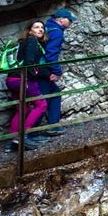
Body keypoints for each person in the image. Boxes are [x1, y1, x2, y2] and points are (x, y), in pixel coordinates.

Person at [4, 20, 50, 152]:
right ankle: (22, 136)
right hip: (22, 79)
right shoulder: (32, 41)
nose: (40, 30)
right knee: (41, 105)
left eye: (42, 27)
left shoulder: (23, 43)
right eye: (36, 27)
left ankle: (11, 142)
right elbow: (29, 63)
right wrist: (33, 78)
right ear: (29, 31)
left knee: (22, 110)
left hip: (11, 80)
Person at [41, 8, 76, 136]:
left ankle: (53, 126)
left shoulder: (47, 28)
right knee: (41, 102)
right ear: (61, 20)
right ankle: (30, 134)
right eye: (69, 20)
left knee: (55, 94)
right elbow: (51, 54)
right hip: (43, 71)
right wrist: (57, 71)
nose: (71, 22)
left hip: (40, 69)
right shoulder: (57, 32)